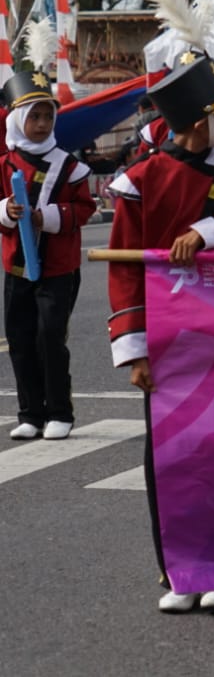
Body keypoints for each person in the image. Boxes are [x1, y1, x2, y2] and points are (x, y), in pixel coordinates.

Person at [106, 52, 214, 613]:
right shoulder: (139, 181)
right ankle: (179, 571)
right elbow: (123, 267)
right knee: (170, 454)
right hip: (166, 334)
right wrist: (135, 352)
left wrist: (212, 230)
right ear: (191, 123)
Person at [1, 39, 95, 441]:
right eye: (34, 116)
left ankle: (60, 411)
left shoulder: (70, 166)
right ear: (18, 119)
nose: (41, 124)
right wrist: (7, 211)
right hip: (16, 264)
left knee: (49, 337)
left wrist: (47, 217)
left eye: (47, 116)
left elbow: (85, 209)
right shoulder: (5, 163)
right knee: (19, 337)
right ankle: (29, 412)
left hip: (57, 267)